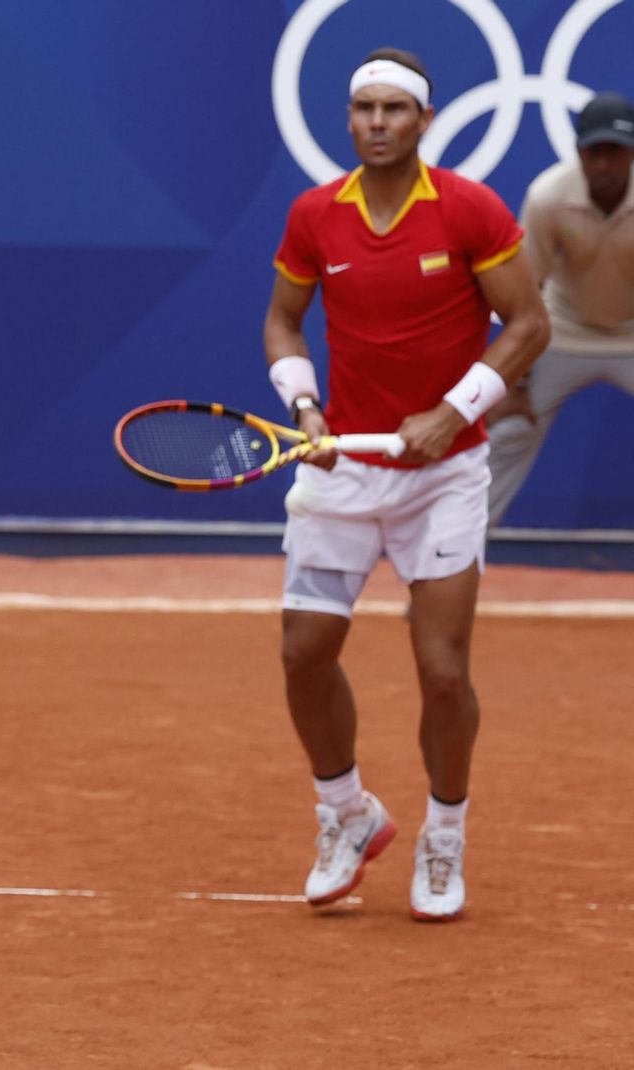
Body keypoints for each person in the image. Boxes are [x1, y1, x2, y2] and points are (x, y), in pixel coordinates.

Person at [262, 49, 549, 921]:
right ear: (347, 120)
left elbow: (529, 324)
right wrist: (306, 406)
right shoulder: (315, 215)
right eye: (363, 109)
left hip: (445, 477)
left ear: (424, 120)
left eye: (394, 109)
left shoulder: (468, 208)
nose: (377, 123)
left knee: (440, 672)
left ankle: (445, 832)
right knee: (304, 654)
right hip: (345, 466)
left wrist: (452, 411)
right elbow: (283, 320)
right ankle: (348, 813)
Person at [486, 90, 634, 526]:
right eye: (595, 152)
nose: (604, 164)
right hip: (562, 332)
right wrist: (514, 383)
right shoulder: (548, 197)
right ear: (579, 152)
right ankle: (447, 575)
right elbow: (524, 288)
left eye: (616, 151)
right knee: (509, 432)